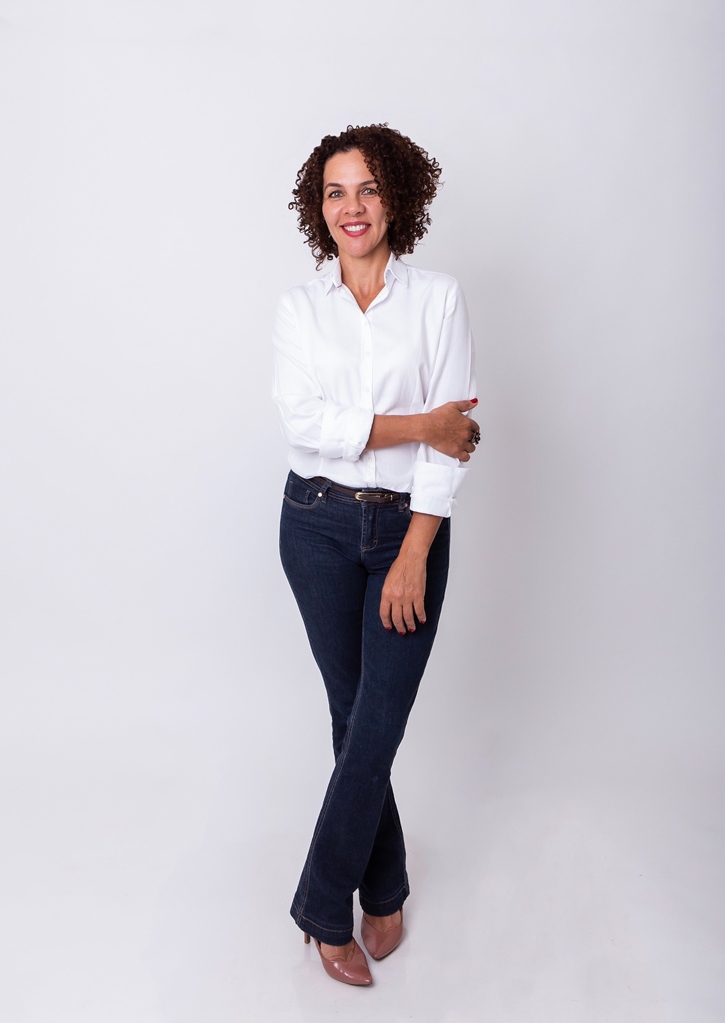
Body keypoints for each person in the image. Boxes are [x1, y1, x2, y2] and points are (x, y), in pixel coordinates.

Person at [273, 124, 479, 986]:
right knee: (352, 715)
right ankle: (384, 885)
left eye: (366, 188)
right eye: (334, 192)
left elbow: (452, 440)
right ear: (317, 208)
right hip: (313, 524)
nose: (350, 207)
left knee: (375, 721)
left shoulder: (437, 299)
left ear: (397, 196)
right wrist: (418, 422)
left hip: (407, 528)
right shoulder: (301, 309)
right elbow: (305, 425)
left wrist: (414, 549)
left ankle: (323, 903)